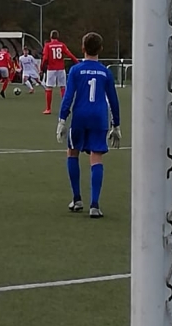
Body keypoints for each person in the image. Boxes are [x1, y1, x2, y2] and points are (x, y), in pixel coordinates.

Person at [56, 31, 121, 219]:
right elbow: (113, 100)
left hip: (80, 116)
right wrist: (116, 124)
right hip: (99, 117)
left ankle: (77, 199)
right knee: (96, 157)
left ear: (82, 48)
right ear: (101, 49)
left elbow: (68, 96)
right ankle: (94, 205)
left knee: (72, 152)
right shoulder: (105, 72)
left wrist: (62, 119)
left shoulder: (76, 70)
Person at [41, 30, 78, 114]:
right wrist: (77, 62)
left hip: (51, 69)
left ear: (50, 37)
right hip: (61, 68)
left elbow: (45, 58)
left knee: (49, 88)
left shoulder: (47, 45)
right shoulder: (62, 45)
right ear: (58, 37)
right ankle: (66, 107)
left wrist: (42, 67)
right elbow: (70, 54)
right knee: (63, 87)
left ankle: (48, 109)